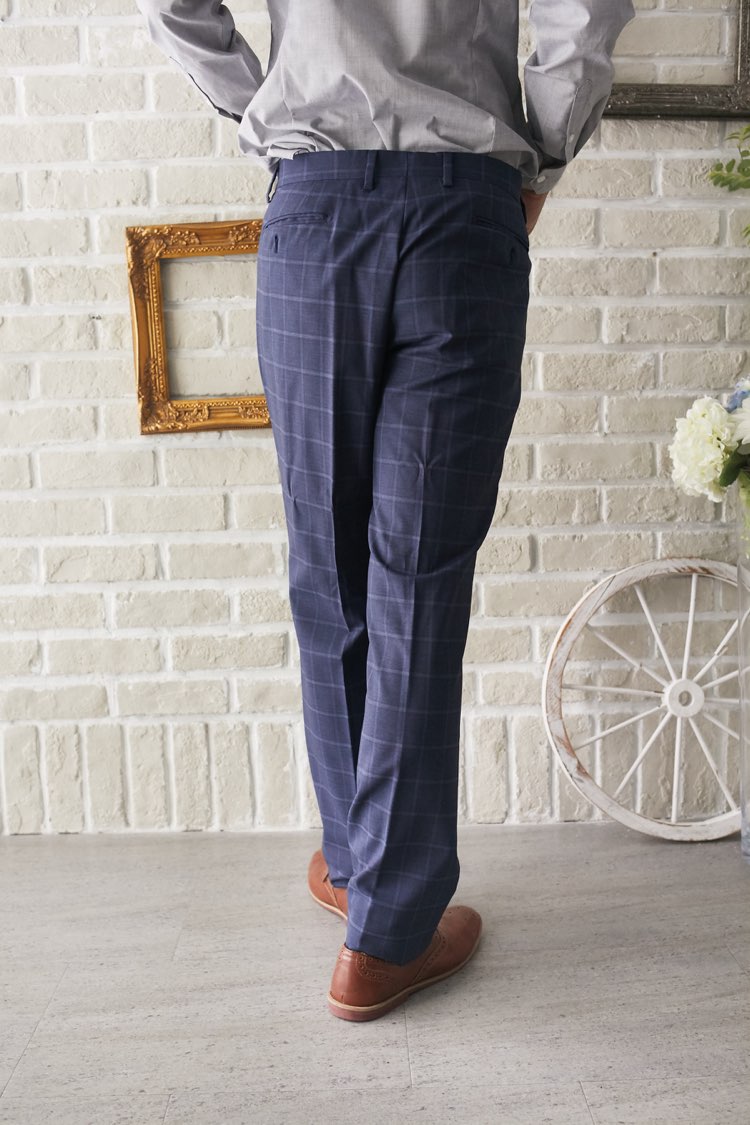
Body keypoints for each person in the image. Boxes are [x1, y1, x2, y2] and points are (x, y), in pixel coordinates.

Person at [136, 0, 636, 1022]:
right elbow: (583, 10)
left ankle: (366, 871)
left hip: (316, 204)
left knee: (326, 565)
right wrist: (538, 157)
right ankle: (385, 919)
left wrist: (266, 112)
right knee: (417, 575)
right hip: (464, 207)